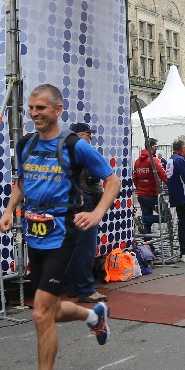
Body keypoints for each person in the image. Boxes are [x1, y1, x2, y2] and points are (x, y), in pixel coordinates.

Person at [0, 84, 119, 370]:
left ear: (58, 109)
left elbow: (112, 181)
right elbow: (22, 182)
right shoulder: (26, 144)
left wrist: (96, 213)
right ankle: (93, 315)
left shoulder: (75, 145)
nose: (34, 113)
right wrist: (9, 210)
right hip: (34, 233)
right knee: (46, 309)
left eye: (41, 108)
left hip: (63, 235)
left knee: (39, 314)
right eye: (31, 107)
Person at [63, 122, 107, 304]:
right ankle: (86, 289)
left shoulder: (65, 151)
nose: (91, 138)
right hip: (86, 200)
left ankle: (74, 287)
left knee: (75, 246)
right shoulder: (81, 150)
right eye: (89, 134)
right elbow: (97, 175)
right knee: (86, 246)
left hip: (74, 201)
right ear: (81, 135)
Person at [132, 138, 168, 236]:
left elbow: (135, 178)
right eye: (156, 147)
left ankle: (148, 244)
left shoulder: (137, 161)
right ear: (153, 147)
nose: (157, 149)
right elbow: (163, 175)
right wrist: (172, 186)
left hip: (141, 195)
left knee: (147, 225)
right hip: (152, 195)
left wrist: (139, 189)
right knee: (167, 216)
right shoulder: (154, 160)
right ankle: (142, 219)